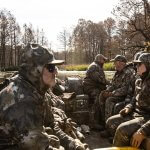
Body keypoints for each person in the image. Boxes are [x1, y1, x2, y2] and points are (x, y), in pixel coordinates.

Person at [0, 43, 86, 150]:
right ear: (35, 71)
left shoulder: (37, 90)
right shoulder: (23, 102)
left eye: (55, 67)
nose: (55, 72)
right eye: (50, 68)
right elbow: (37, 147)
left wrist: (73, 144)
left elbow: (51, 124)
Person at [106, 53, 150, 149]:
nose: (136, 67)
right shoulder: (139, 81)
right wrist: (128, 107)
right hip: (135, 113)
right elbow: (134, 97)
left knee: (122, 130)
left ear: (147, 65)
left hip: (146, 117)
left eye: (139, 64)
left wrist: (143, 131)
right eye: (136, 64)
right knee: (110, 122)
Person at [99, 55, 135, 125]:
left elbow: (126, 89)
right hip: (117, 94)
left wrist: (112, 93)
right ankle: (103, 120)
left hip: (125, 96)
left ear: (120, 63)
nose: (114, 64)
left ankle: (108, 125)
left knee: (109, 100)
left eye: (115, 62)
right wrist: (107, 90)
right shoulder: (117, 72)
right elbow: (112, 84)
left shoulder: (128, 72)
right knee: (101, 95)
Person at [82, 54, 109, 129]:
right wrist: (110, 83)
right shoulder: (94, 66)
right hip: (90, 87)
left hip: (95, 86)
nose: (104, 62)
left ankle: (101, 119)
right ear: (100, 60)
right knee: (98, 97)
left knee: (104, 94)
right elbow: (98, 79)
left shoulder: (98, 66)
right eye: (103, 60)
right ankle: (93, 122)